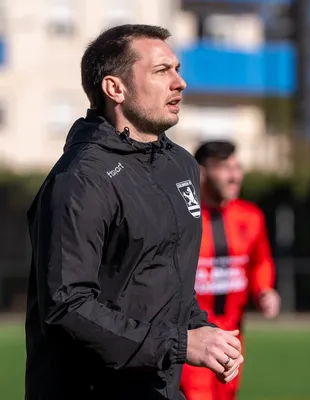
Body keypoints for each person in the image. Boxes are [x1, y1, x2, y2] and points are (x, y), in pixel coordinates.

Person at [25, 25, 243, 400]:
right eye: (162, 71)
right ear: (115, 88)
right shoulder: (81, 179)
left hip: (158, 388)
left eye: (177, 69)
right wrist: (180, 344)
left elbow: (168, 281)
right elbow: (67, 308)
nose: (180, 82)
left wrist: (202, 330)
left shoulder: (181, 165)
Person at [180, 141, 281, 400]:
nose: (235, 176)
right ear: (202, 172)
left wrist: (264, 291)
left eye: (237, 167)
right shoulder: (181, 218)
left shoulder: (251, 216)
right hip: (193, 335)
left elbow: (260, 261)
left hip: (233, 335)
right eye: (225, 168)